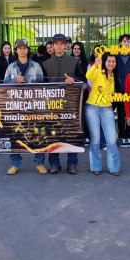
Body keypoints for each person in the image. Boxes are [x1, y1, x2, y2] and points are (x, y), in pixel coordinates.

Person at [42, 33, 85, 174]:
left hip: (70, 105)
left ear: (66, 45)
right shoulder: (46, 64)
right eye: (56, 43)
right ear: (53, 46)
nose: (59, 46)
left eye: (62, 43)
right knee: (52, 135)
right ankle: (54, 164)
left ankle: (72, 164)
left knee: (71, 134)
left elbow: (83, 80)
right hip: (52, 106)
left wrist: (74, 80)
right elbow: (42, 85)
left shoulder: (73, 61)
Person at [4, 39, 46, 175]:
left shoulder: (36, 66)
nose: (22, 50)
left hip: (34, 106)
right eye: (19, 48)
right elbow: (4, 85)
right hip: (16, 106)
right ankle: (15, 164)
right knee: (15, 134)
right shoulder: (11, 67)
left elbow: (43, 85)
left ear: (28, 50)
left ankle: (39, 163)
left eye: (24, 48)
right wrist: (14, 80)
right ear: (16, 50)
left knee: (38, 133)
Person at [86, 53, 121, 175]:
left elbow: (114, 93)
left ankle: (114, 168)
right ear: (104, 62)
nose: (111, 63)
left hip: (107, 109)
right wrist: (96, 64)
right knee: (95, 138)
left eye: (113, 61)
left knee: (111, 138)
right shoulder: (98, 71)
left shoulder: (115, 76)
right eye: (109, 61)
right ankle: (96, 167)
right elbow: (88, 75)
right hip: (92, 107)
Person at [115, 34, 130, 148]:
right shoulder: (115, 56)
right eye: (124, 41)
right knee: (121, 113)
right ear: (120, 43)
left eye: (128, 41)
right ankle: (122, 136)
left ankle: (129, 136)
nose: (126, 43)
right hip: (118, 90)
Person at [71, 41, 90, 145]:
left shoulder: (86, 62)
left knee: (84, 114)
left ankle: (86, 135)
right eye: (74, 49)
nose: (76, 51)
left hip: (84, 91)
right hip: (72, 92)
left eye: (78, 49)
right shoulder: (68, 60)